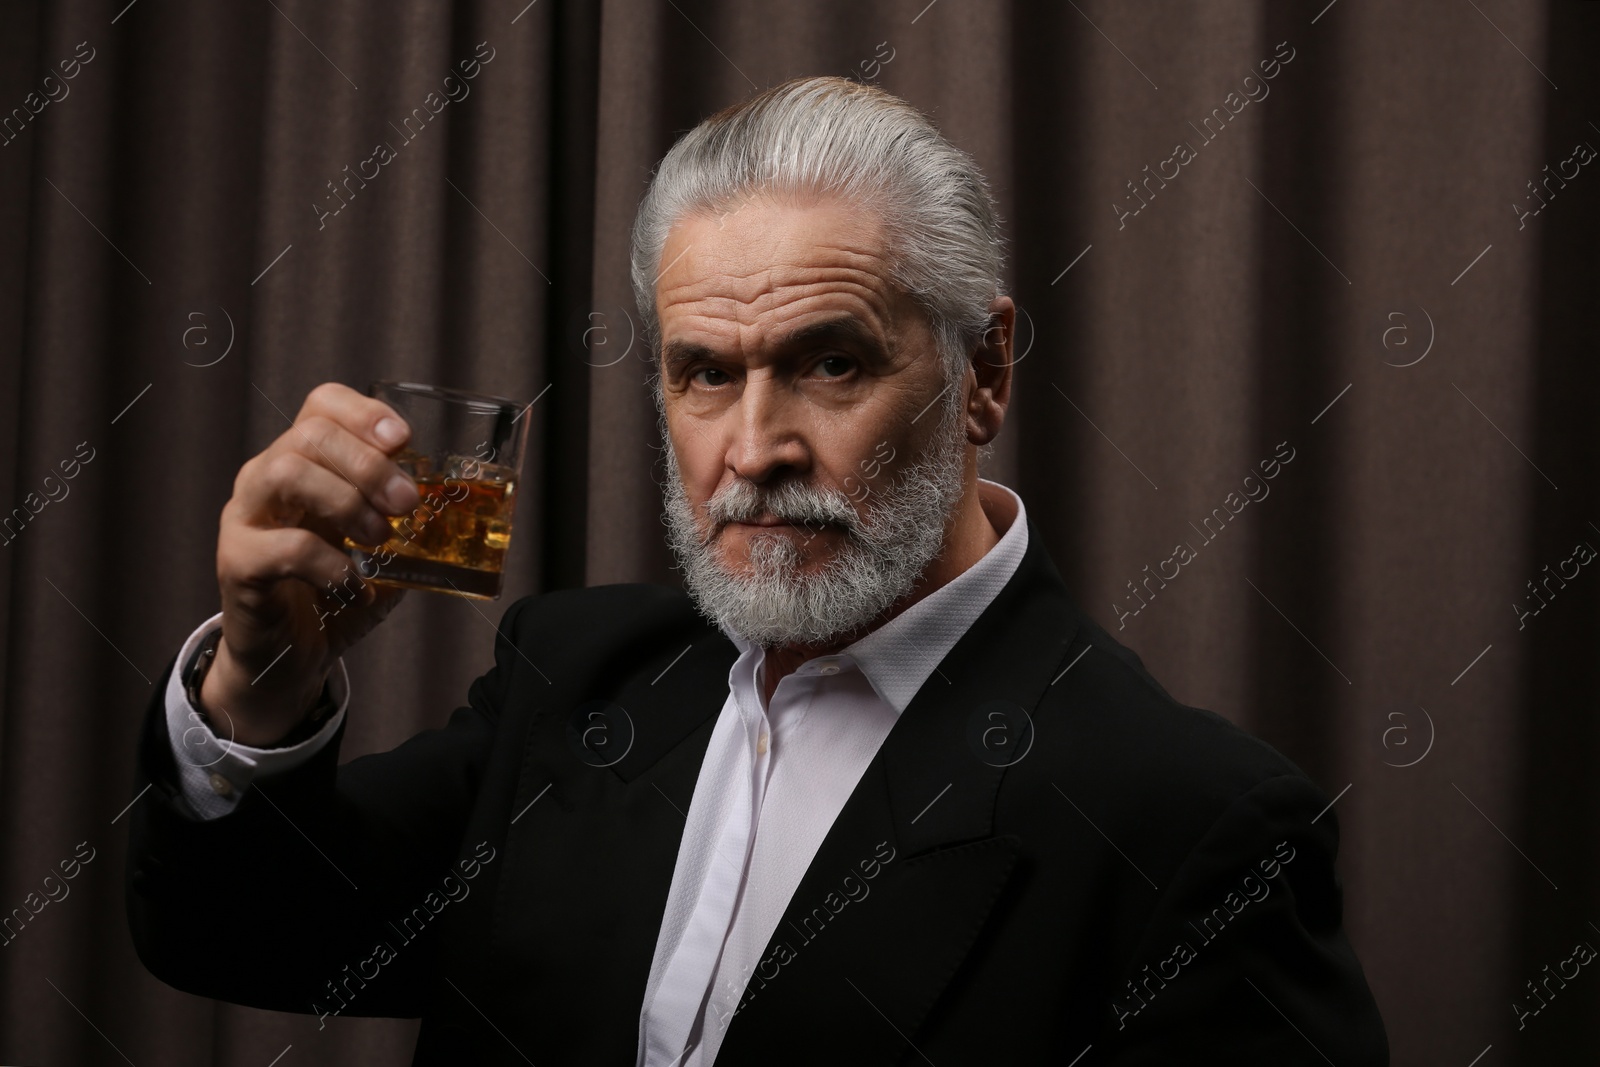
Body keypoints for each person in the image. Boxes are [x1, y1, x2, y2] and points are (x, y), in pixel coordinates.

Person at [127, 75, 1389, 1065]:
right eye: (705, 372)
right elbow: (239, 931)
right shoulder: (573, 680)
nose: (753, 450)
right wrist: (259, 679)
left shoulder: (1198, 831)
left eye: (832, 362)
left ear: (982, 371)